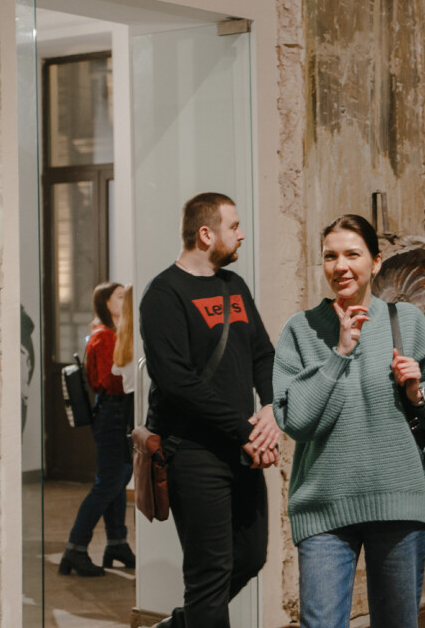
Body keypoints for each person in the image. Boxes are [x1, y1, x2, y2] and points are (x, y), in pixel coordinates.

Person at [273, 214, 425, 628]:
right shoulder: (300, 331)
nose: (340, 266)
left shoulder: (405, 321)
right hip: (324, 507)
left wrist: (417, 393)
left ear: (375, 262)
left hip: (398, 500)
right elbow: (296, 421)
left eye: (352, 255)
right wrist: (339, 354)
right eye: (330, 256)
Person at [139, 192, 279, 628]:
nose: (241, 235)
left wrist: (271, 408)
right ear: (206, 234)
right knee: (210, 573)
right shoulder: (163, 295)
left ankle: (182, 624)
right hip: (193, 452)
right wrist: (246, 429)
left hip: (240, 447)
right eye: (233, 227)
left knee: (250, 556)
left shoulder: (234, 286)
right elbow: (178, 382)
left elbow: (262, 354)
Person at [60, 282, 136, 577]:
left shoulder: (113, 333)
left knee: (117, 482)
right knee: (108, 484)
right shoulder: (104, 336)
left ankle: (117, 544)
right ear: (106, 303)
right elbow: (108, 381)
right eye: (120, 297)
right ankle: (75, 549)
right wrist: (135, 375)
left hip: (117, 414)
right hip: (113, 413)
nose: (125, 301)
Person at [111, 284, 136, 394]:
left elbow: (115, 370)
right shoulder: (142, 333)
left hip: (129, 396)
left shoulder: (124, 335)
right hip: (140, 395)